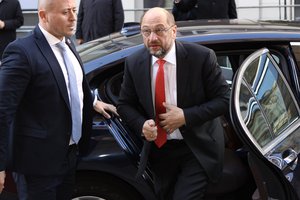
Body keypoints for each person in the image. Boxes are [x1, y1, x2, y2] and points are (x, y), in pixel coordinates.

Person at [0, 0, 118, 199]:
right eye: (65, 12)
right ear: (43, 16)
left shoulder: (68, 43)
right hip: (36, 165)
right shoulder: (21, 51)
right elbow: (3, 109)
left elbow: (68, 84)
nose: (73, 18)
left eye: (74, 10)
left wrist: (91, 101)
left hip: (69, 157)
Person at [117, 7, 230, 200]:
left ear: (174, 31)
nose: (152, 38)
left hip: (196, 147)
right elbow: (124, 105)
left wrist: (186, 116)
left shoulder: (201, 57)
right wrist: (142, 125)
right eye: (146, 31)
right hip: (159, 151)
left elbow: (225, 99)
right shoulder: (134, 62)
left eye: (159, 30)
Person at [172, 0, 237, 21]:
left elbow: (232, 13)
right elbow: (185, 7)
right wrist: (177, 1)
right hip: (204, 28)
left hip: (223, 27)